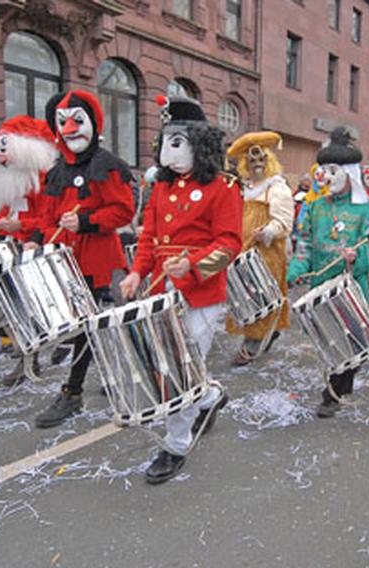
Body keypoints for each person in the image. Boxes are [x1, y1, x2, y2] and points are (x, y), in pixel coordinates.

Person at [120, 94, 239, 484]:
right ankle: (210, 396)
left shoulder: (223, 189)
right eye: (165, 142)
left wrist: (191, 265)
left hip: (201, 291)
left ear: (198, 144)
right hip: (159, 287)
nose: (166, 152)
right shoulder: (161, 190)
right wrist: (137, 273)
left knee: (180, 368)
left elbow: (229, 244)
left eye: (177, 143)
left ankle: (175, 444)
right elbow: (149, 237)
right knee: (166, 362)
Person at [30, 90, 135, 429]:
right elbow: (46, 214)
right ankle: (114, 375)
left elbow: (123, 211)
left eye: (78, 120)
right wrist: (38, 240)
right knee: (89, 326)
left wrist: (86, 221)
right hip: (65, 261)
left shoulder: (109, 166)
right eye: (63, 122)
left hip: (100, 262)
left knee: (91, 326)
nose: (71, 128)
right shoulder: (56, 171)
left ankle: (72, 392)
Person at [287, 127, 369, 417]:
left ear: (350, 173)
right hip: (320, 286)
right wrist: (295, 271)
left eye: (333, 171)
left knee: (349, 339)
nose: (327, 177)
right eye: (324, 171)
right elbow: (304, 244)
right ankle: (338, 384)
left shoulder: (367, 208)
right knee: (330, 339)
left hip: (351, 288)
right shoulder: (315, 207)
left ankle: (334, 391)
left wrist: (358, 257)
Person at [0, 115, 60, 385]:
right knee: (13, 306)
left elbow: (51, 217)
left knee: (36, 307)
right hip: (11, 249)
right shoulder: (8, 179)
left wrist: (21, 225)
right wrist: (0, 227)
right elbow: (8, 211)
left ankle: (42, 352)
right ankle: (26, 356)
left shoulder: (44, 179)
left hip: (35, 249)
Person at [224, 131, 293, 365]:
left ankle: (252, 344)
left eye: (261, 159)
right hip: (242, 250)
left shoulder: (277, 187)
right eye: (252, 161)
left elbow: (284, 220)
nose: (257, 165)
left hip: (267, 252)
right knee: (243, 295)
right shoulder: (243, 187)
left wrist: (268, 232)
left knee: (260, 295)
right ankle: (266, 332)